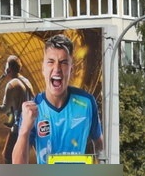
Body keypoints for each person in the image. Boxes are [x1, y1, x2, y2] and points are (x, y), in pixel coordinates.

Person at [9, 34, 101, 165]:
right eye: (51, 62)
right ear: (43, 68)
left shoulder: (87, 102)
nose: (57, 69)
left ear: (71, 69)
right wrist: (24, 129)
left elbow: (100, 144)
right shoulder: (32, 110)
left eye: (63, 62)